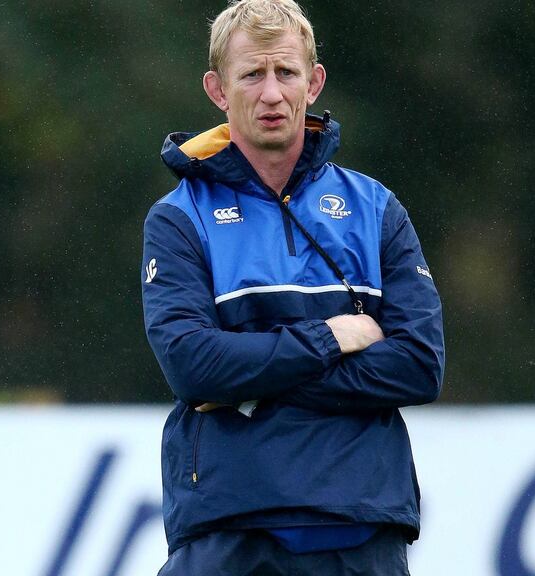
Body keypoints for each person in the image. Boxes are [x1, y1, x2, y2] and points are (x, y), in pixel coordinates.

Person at [141, 0, 445, 573]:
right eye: (252, 75)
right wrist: (332, 338)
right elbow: (192, 366)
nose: (272, 94)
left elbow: (419, 365)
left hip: (360, 522)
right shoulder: (178, 218)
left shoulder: (376, 208)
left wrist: (253, 379)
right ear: (217, 89)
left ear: (314, 82)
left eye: (286, 73)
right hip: (230, 524)